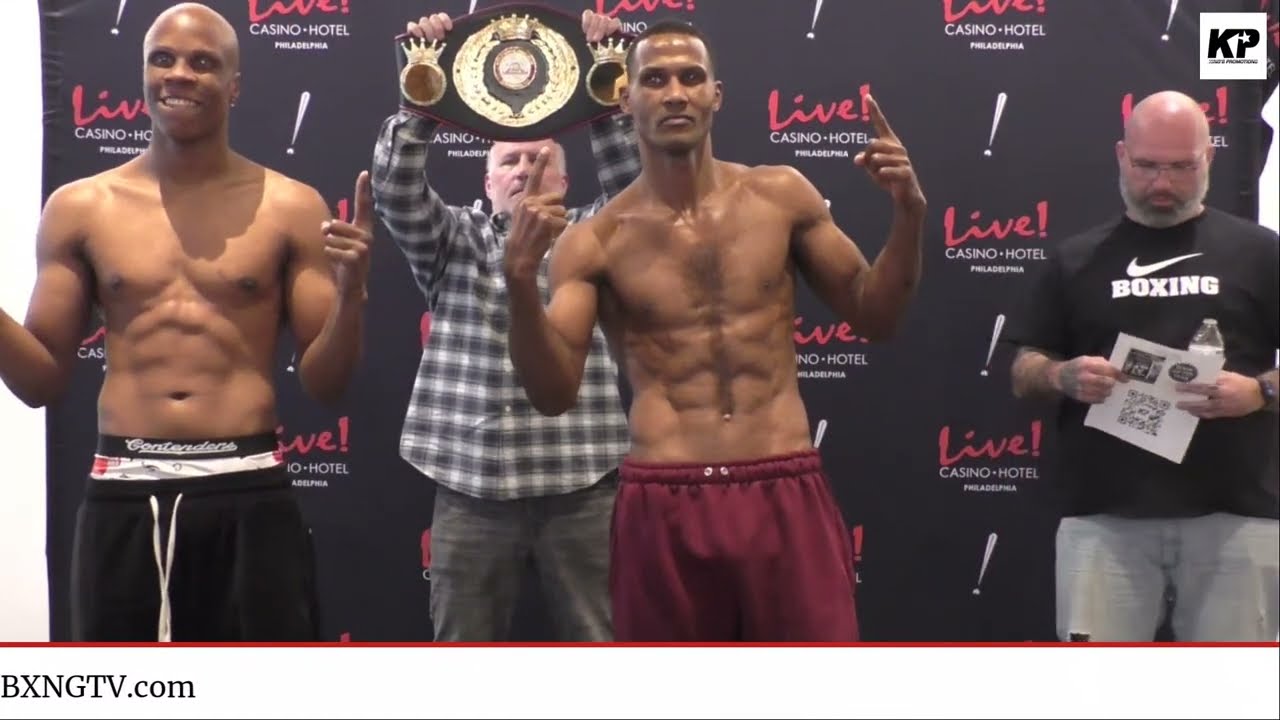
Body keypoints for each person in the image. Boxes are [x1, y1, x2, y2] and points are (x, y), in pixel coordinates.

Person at [502, 19, 926, 641]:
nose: (675, 93)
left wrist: (909, 213)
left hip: (783, 483)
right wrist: (518, 282)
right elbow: (553, 393)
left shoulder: (780, 195)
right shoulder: (594, 241)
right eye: (655, 79)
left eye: (691, 77)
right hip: (664, 498)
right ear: (626, 100)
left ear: (716, 95)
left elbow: (875, 315)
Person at [0, 3, 373, 642]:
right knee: (127, 689)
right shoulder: (80, 208)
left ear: (234, 85)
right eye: (163, 59)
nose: (180, 74)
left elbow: (327, 384)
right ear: (144, 74)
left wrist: (353, 293)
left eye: (203, 62)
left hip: (249, 488)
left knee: (265, 691)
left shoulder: (290, 206)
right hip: (124, 489)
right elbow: (40, 382)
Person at [369, 9, 639, 642]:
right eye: (511, 160)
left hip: (583, 486)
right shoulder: (452, 238)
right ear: (487, 180)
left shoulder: (594, 235)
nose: (524, 170)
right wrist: (424, 88)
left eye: (540, 160)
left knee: (603, 650)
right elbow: (395, 191)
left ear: (565, 180)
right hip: (471, 490)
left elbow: (638, 193)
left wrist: (605, 88)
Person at [1004, 90, 1279, 642]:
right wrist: (1063, 376)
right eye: (1148, 165)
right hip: (1105, 519)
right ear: (1121, 156)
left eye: (1181, 167)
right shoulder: (1075, 259)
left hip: (1235, 515)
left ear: (1209, 158)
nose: (1162, 183)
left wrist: (1260, 392)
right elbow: (1023, 367)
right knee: (1100, 685)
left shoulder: (1261, 252)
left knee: (1236, 686)